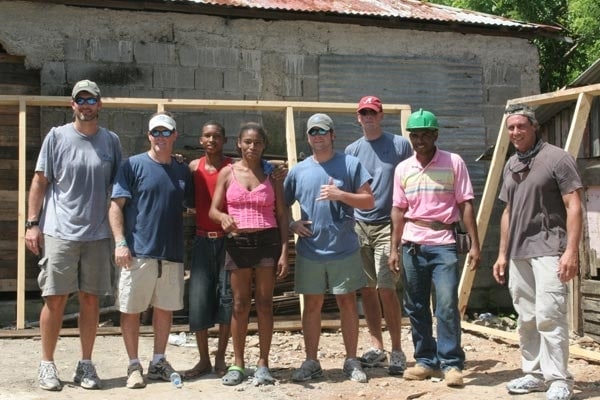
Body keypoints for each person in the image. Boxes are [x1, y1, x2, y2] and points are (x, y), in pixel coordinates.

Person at [25, 79, 121, 391]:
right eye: (80, 100)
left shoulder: (111, 142)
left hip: (97, 234)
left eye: (91, 99)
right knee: (55, 299)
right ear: (73, 105)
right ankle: (47, 364)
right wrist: (32, 224)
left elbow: (120, 189)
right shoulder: (56, 137)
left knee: (91, 300)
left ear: (99, 105)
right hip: (59, 232)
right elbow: (40, 182)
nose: (86, 105)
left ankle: (86, 365)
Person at [492, 104, 582, 400]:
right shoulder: (511, 164)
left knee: (550, 314)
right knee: (527, 316)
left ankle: (559, 379)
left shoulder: (557, 158)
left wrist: (571, 251)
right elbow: (508, 212)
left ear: (534, 127)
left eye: (521, 126)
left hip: (549, 249)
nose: (515, 132)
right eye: (510, 128)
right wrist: (502, 253)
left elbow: (574, 206)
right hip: (519, 253)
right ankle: (533, 373)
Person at [388, 108, 480, 387]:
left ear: (435, 134)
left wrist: (475, 244)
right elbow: (398, 210)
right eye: (414, 135)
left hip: (444, 245)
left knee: (447, 303)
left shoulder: (453, 162)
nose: (419, 140)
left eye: (425, 134)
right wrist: (394, 248)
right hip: (412, 245)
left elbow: (465, 203)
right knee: (415, 305)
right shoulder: (403, 168)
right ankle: (426, 361)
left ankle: (451, 363)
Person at [284, 113, 374, 383]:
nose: (318, 136)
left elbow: (368, 201)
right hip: (311, 250)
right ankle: (312, 361)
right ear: (308, 137)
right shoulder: (298, 170)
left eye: (323, 131)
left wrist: (341, 195)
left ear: (333, 134)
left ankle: (351, 360)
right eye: (313, 132)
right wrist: (291, 224)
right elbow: (280, 204)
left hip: (343, 249)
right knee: (311, 305)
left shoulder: (350, 164)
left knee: (347, 302)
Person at [108, 111, 192, 389]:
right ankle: (134, 365)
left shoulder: (181, 170)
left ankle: (158, 360)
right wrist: (120, 242)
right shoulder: (132, 166)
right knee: (131, 310)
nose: (160, 137)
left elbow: (190, 206)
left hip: (171, 254)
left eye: (166, 132)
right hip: (138, 253)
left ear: (175, 136)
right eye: (156, 132)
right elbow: (115, 207)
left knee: (165, 309)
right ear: (148, 135)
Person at [209, 122, 289, 386]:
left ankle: (264, 363)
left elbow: (281, 215)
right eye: (247, 142)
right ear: (239, 144)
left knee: (265, 304)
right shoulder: (228, 173)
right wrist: (223, 218)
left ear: (264, 145)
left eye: (257, 142)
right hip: (238, 242)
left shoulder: (272, 176)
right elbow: (213, 210)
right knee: (240, 304)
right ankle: (238, 363)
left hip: (267, 240)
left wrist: (284, 251)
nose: (252, 147)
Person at [345, 95, 412, 375]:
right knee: (367, 290)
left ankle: (397, 350)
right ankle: (377, 347)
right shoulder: (352, 150)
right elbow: (348, 187)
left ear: (381, 115)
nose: (368, 116)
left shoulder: (399, 145)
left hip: (388, 223)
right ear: (358, 117)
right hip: (360, 225)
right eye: (364, 113)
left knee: (386, 288)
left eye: (373, 112)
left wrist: (407, 222)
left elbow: (412, 178)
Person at [182, 121, 233, 380]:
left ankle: (221, 356)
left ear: (224, 140)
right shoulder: (193, 168)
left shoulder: (233, 168)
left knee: (227, 298)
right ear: (201, 140)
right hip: (202, 240)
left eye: (216, 135)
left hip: (229, 242)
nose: (211, 139)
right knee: (199, 299)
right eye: (207, 135)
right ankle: (203, 359)